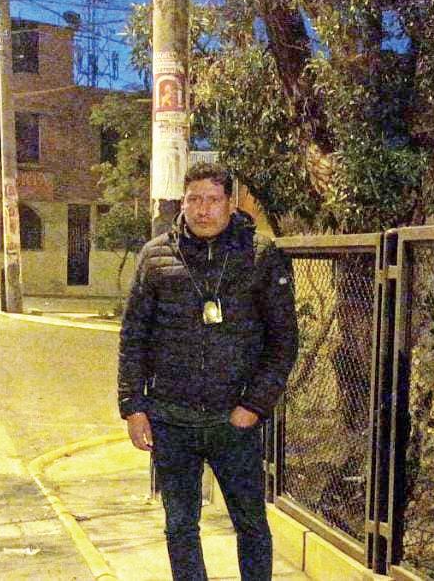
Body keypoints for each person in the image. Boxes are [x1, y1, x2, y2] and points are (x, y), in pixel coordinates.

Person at [117, 162, 299, 581]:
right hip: (171, 419)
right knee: (180, 526)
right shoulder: (156, 256)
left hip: (233, 421)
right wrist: (133, 406)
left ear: (230, 204)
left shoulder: (260, 255)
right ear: (182, 202)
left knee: (251, 523)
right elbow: (134, 336)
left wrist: (254, 405)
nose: (203, 209)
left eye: (213, 200)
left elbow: (283, 341)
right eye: (194, 199)